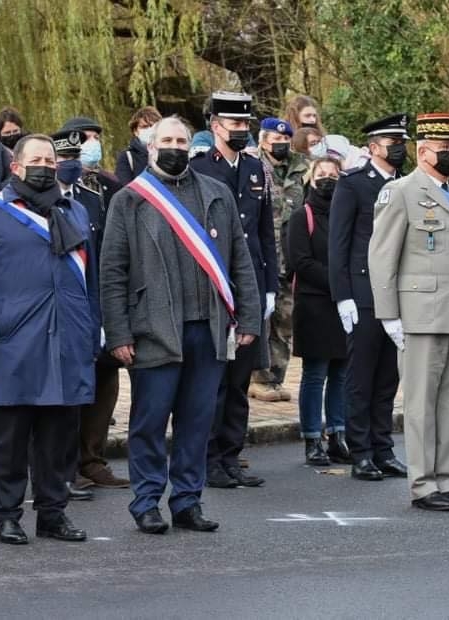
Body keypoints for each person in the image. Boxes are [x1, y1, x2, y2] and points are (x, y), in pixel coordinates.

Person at [100, 116, 261, 533]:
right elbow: (112, 271)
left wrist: (247, 316)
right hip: (152, 330)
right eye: (166, 140)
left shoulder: (216, 193)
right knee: (150, 422)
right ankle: (147, 501)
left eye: (181, 140)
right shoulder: (130, 200)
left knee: (196, 421)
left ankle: (188, 499)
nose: (174, 146)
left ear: (192, 146)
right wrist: (117, 332)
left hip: (207, 329)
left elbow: (239, 262)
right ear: (150, 148)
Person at [0, 134, 100, 545]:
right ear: (15, 167)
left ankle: (53, 513)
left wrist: (91, 332)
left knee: (59, 439)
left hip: (67, 340)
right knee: (12, 439)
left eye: (49, 160)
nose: (44, 166)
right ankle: (8, 513)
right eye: (35, 159)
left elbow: (90, 282)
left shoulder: (72, 210)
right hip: (14, 342)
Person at [369, 113, 449, 511]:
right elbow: (382, 256)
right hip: (420, 311)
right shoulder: (400, 192)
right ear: (422, 151)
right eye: (444, 149)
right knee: (420, 404)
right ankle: (422, 485)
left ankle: (446, 480)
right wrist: (389, 314)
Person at [190, 91, 277, 489]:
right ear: (215, 126)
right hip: (215, 283)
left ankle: (230, 454)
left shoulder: (256, 169)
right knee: (216, 380)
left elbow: (264, 233)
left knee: (241, 378)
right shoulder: (201, 169)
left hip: (250, 283)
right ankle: (208, 458)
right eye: (234, 125)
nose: (242, 131)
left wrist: (270, 286)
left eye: (246, 125)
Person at [328, 113, 410, 482]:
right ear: (373, 147)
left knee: (388, 377)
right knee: (361, 377)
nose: (399, 148)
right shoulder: (354, 185)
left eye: (402, 141)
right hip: (362, 293)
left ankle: (383, 447)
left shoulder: (408, 185)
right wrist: (342, 295)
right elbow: (338, 244)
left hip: (399, 293)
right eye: (392, 142)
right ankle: (360, 451)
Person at [51, 128, 129, 498]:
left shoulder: (100, 193)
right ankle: (64, 464)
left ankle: (91, 458)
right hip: (65, 303)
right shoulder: (46, 198)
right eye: (64, 159)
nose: (71, 166)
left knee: (105, 376)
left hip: (100, 296)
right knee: (69, 386)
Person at [288, 157, 349, 465]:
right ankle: (313, 438)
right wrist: (337, 281)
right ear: (311, 179)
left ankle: (339, 435)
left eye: (333, 175)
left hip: (344, 305)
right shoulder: (302, 216)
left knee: (341, 373)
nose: (327, 180)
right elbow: (300, 261)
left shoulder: (347, 214)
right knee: (316, 374)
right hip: (314, 304)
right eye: (321, 175)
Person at [249, 117, 308, 402]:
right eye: (275, 140)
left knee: (286, 319)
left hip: (289, 257)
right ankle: (257, 377)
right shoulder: (252, 166)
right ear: (263, 141)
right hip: (261, 256)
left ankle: (276, 377)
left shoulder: (302, 169)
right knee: (261, 318)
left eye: (285, 140)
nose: (281, 144)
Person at [115, 106, 162, 183]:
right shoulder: (127, 157)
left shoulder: (168, 153)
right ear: (135, 131)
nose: (150, 130)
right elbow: (123, 189)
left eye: (154, 126)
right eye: (145, 127)